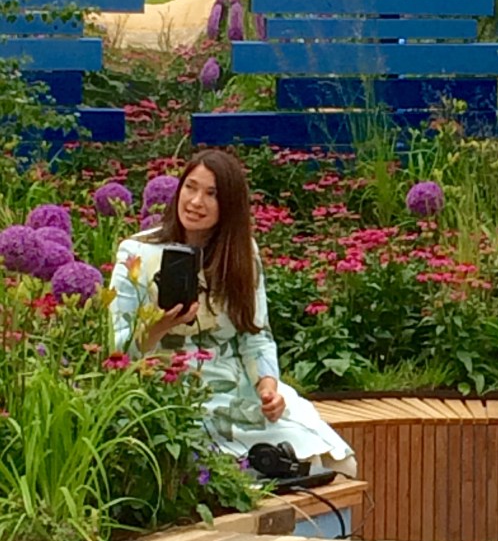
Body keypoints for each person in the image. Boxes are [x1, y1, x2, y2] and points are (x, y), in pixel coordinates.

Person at [109, 148, 356, 478]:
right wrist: (157, 326)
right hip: (169, 390)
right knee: (238, 477)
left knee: (340, 466)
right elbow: (118, 349)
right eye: (190, 187)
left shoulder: (241, 253)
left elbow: (257, 335)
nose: (196, 202)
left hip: (238, 391)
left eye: (211, 194)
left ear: (229, 204)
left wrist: (269, 387)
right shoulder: (136, 253)